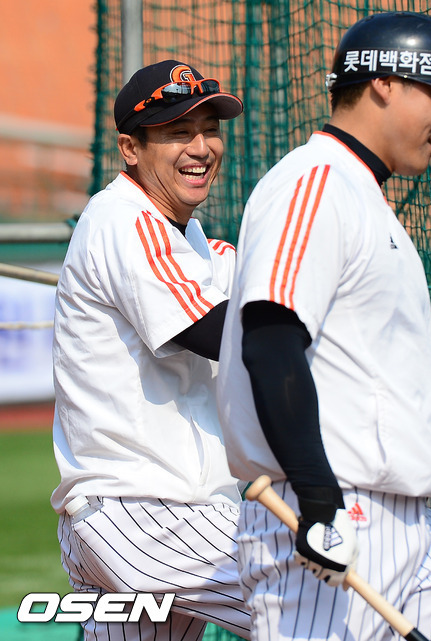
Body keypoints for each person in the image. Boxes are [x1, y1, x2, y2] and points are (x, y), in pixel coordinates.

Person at [217, 12, 431, 641]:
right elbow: (271, 336)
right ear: (385, 83)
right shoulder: (315, 181)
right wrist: (319, 503)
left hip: (406, 525)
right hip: (334, 513)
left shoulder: (364, 196)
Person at [51, 59, 251, 641]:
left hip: (132, 514)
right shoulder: (126, 219)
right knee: (318, 604)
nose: (201, 147)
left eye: (209, 129)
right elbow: (215, 332)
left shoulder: (186, 236)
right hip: (149, 512)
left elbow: (258, 292)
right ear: (130, 149)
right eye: (177, 132)